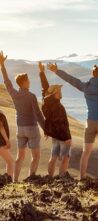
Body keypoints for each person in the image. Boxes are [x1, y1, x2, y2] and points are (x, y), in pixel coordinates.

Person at [0, 51, 45, 182]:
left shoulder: (14, 93)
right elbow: (38, 114)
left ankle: (15, 181)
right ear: (24, 82)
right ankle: (31, 178)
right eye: (28, 80)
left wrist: (2, 65)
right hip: (32, 128)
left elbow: (7, 81)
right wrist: (46, 129)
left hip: (20, 129)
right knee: (36, 156)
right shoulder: (31, 96)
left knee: (20, 157)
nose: (29, 82)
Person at [39, 62, 72, 177]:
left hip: (53, 134)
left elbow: (45, 88)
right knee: (66, 157)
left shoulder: (46, 101)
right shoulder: (57, 107)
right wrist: (67, 138)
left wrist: (41, 72)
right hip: (62, 135)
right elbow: (61, 124)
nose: (61, 92)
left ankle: (50, 177)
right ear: (56, 93)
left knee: (53, 156)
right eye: (59, 90)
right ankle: (62, 178)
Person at [0, 109, 13, 181]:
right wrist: (7, 141)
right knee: (10, 162)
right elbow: (1, 127)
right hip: (1, 143)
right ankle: (9, 181)